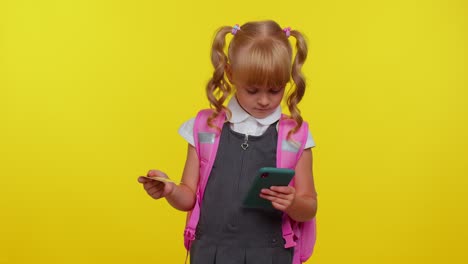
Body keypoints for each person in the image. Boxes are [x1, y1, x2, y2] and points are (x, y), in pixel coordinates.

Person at [138, 20, 318, 264]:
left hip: (271, 254)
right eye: (253, 90)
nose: (264, 100)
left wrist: (293, 202)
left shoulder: (295, 136)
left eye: (275, 90)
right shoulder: (204, 128)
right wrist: (170, 190)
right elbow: (189, 196)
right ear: (232, 75)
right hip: (211, 253)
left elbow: (310, 206)